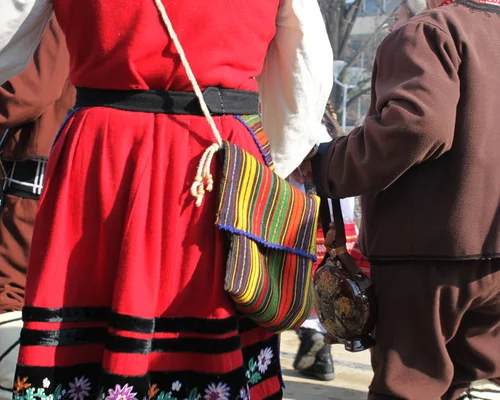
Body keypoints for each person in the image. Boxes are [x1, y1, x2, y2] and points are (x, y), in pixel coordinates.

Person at [0, 1, 332, 399]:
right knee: (209, 328)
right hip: (216, 154)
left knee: (86, 335)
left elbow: (7, 31)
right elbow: (305, 69)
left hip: (103, 156)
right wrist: (272, 161)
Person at [299, 0, 500, 397]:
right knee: (465, 386)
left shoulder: (431, 31)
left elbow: (416, 125)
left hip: (434, 249)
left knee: (409, 388)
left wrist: (327, 164)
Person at [0, 16, 74, 399]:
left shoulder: (59, 11)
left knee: (12, 299)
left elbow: (30, 91)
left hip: (37, 173)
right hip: (74, 166)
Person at [291, 102, 363, 382]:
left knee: (304, 286)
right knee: (328, 289)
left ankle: (311, 337)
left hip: (311, 217)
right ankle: (322, 361)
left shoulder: (305, 123)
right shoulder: (331, 126)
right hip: (339, 220)